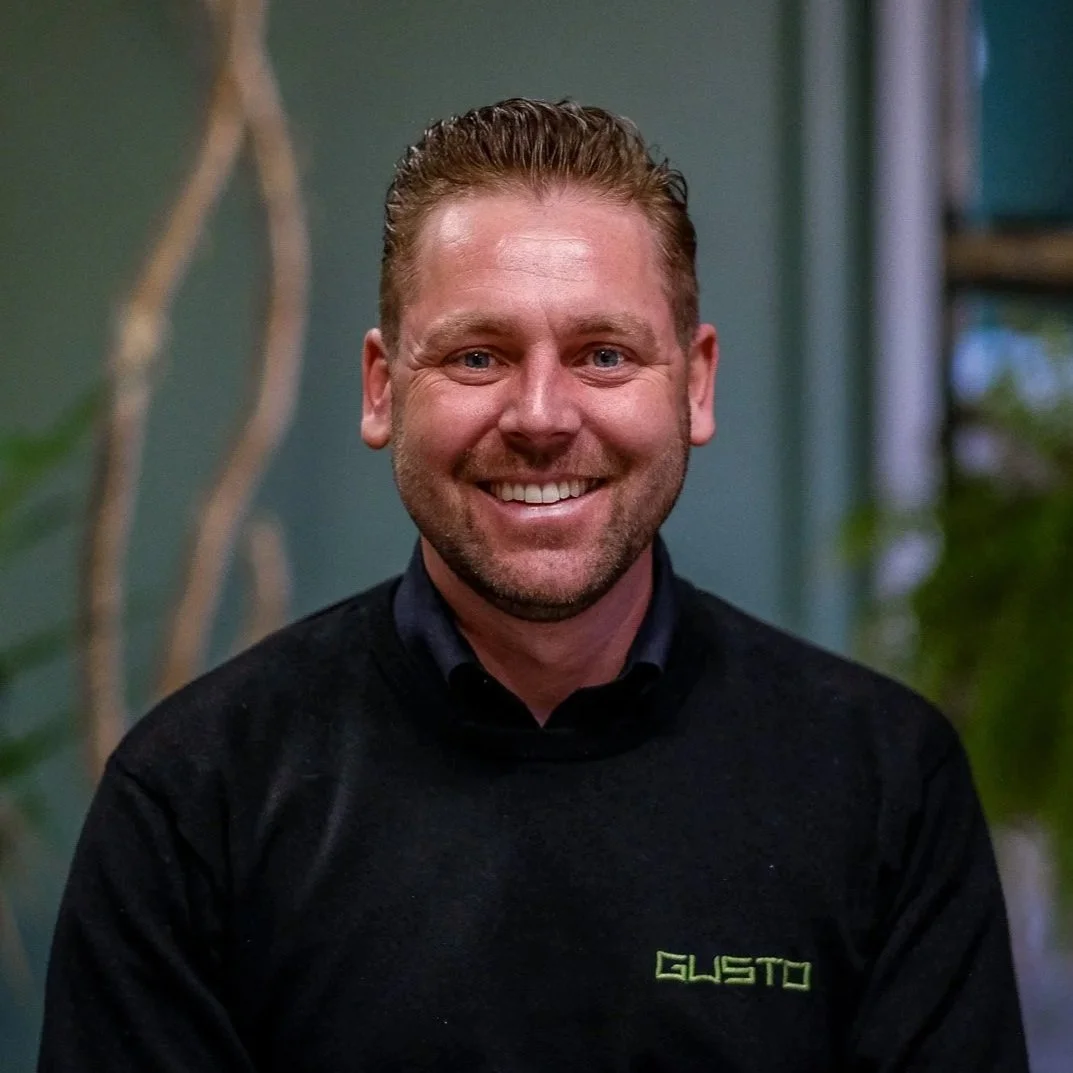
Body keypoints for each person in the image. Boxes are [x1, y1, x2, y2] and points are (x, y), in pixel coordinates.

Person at [39, 98, 1029, 1072]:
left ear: (693, 384)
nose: (542, 415)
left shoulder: (881, 783)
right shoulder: (193, 797)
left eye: (603, 354)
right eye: (478, 355)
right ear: (382, 388)